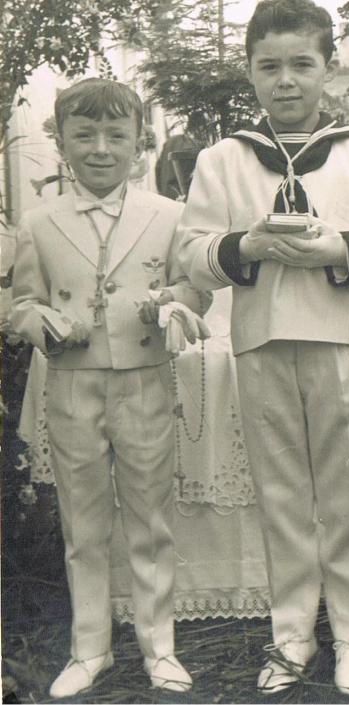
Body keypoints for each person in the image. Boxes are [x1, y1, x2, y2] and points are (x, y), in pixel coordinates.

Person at [177, 0, 349, 696]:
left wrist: (339, 247)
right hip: (259, 341)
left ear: (327, 68)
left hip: (340, 338)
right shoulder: (224, 158)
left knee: (346, 493)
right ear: (250, 72)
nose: (285, 80)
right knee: (280, 494)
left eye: (300, 64)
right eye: (269, 67)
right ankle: (292, 634)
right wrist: (246, 245)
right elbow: (192, 251)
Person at [10, 77, 210, 698]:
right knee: (84, 522)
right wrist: (40, 321)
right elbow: (21, 302)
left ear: (138, 143)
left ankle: (159, 648)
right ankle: (90, 648)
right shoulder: (39, 222)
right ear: (63, 143)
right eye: (85, 135)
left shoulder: (169, 215)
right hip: (73, 384)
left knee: (151, 518)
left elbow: (194, 288)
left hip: (145, 381)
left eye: (115, 135)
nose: (100, 148)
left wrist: (170, 303)